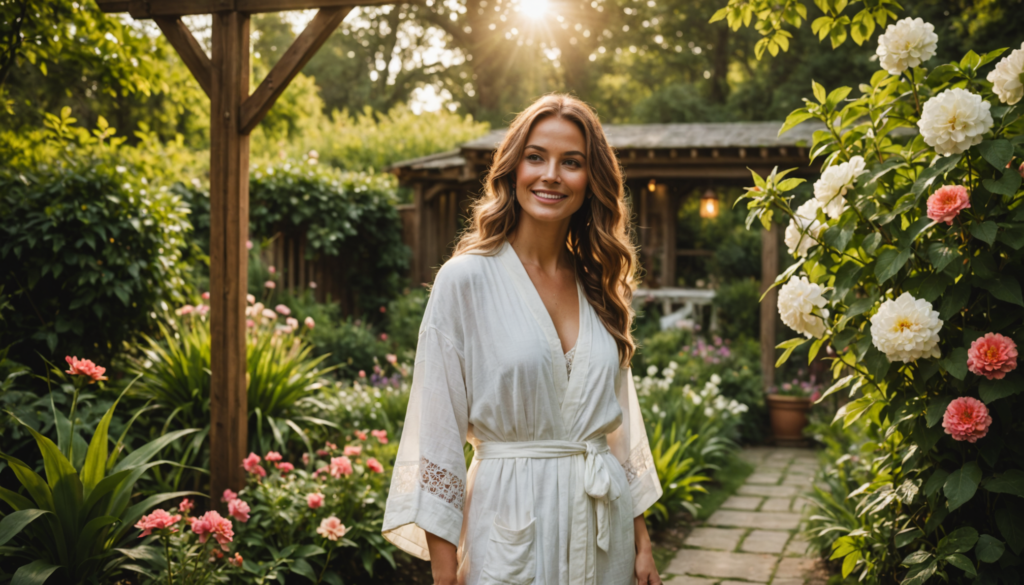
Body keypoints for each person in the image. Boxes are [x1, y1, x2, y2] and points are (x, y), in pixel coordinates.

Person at [381, 93, 663, 585]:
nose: (551, 174)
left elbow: (616, 428)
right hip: (510, 530)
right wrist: (445, 579)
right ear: (513, 170)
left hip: (606, 539)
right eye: (536, 157)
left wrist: (642, 546)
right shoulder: (465, 280)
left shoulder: (598, 284)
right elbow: (438, 438)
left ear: (590, 180)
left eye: (571, 162)